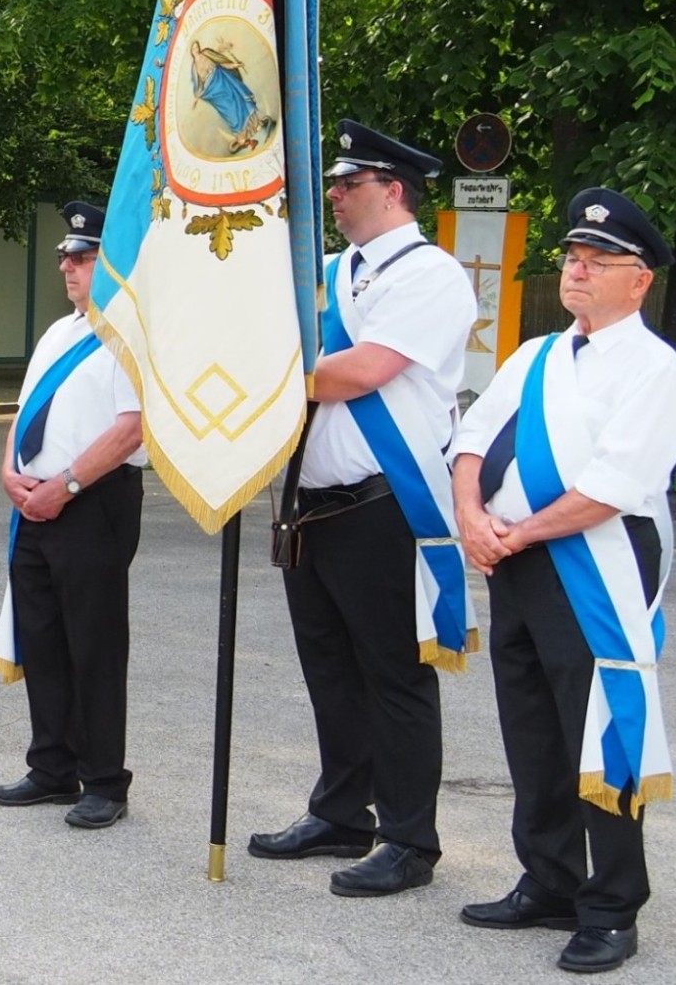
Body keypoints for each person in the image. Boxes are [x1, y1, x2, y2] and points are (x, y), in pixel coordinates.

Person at [450, 188, 676, 976]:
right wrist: (470, 518)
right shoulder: (536, 355)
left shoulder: (654, 370)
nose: (577, 269)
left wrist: (511, 531)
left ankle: (613, 904)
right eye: (571, 257)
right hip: (516, 561)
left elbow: (609, 486)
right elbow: (470, 439)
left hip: (596, 564)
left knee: (601, 730)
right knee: (531, 726)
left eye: (598, 260)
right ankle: (549, 878)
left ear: (639, 279)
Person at [250, 121, 480, 896]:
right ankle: (342, 810)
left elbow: (360, 371)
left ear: (393, 190)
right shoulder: (322, 273)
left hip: (385, 503)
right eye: (335, 184)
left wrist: (264, 375)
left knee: (394, 672)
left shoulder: (430, 275)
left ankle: (409, 836)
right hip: (311, 505)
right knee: (330, 669)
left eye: (349, 184)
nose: (335, 195)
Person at [0, 200, 146, 830]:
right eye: (65, 258)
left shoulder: (129, 337)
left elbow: (131, 430)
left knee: (94, 644)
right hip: (34, 501)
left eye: (81, 258)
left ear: (109, 264)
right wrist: (8, 470)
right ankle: (52, 765)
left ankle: (105, 779)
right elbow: (24, 411)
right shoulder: (60, 332)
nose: (68, 268)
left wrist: (68, 484)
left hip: (93, 503)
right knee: (44, 637)